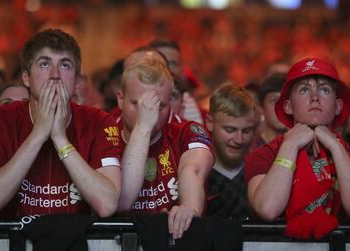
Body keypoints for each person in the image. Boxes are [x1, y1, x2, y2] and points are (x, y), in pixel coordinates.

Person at [0, 29, 121, 218]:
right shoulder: (1, 119)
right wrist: (38, 135)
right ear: (26, 78)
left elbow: (107, 205)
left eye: (65, 65)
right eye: (44, 64)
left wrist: (61, 140)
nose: (55, 75)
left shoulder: (99, 122)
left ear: (77, 81)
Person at [245, 58, 350, 240]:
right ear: (288, 106)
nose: (315, 97)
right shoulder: (264, 156)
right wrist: (290, 145)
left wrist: (335, 146)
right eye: (304, 90)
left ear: (337, 107)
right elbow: (268, 208)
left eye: (324, 90)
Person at [116, 57, 214, 239]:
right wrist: (143, 128)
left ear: (170, 104)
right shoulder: (106, 135)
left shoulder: (187, 132)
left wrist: (190, 207)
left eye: (159, 106)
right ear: (120, 100)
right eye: (138, 104)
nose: (149, 113)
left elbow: (193, 170)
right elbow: (121, 203)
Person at [206, 84, 259, 219]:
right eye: (230, 130)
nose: (239, 140)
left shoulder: (259, 174)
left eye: (247, 131)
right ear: (210, 123)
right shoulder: (197, 174)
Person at [250, 73, 287, 150]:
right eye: (274, 100)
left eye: (286, 100)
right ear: (261, 108)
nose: (281, 107)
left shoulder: (306, 146)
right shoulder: (251, 149)